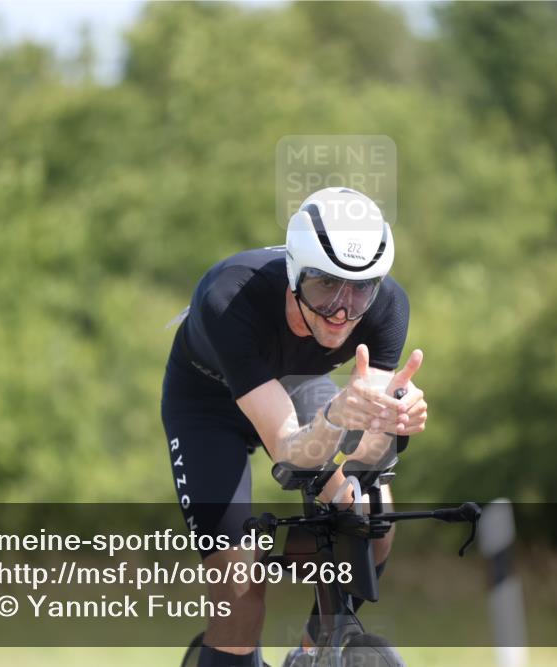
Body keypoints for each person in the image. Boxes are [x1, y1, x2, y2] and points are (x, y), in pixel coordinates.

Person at [161, 187, 428, 667]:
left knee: (372, 518)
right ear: (293, 275)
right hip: (207, 404)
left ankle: (309, 652)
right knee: (239, 588)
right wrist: (336, 419)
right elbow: (288, 450)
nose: (342, 311)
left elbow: (363, 458)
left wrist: (392, 424)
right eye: (324, 287)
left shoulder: (388, 307)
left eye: (359, 289)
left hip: (300, 386)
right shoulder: (229, 295)